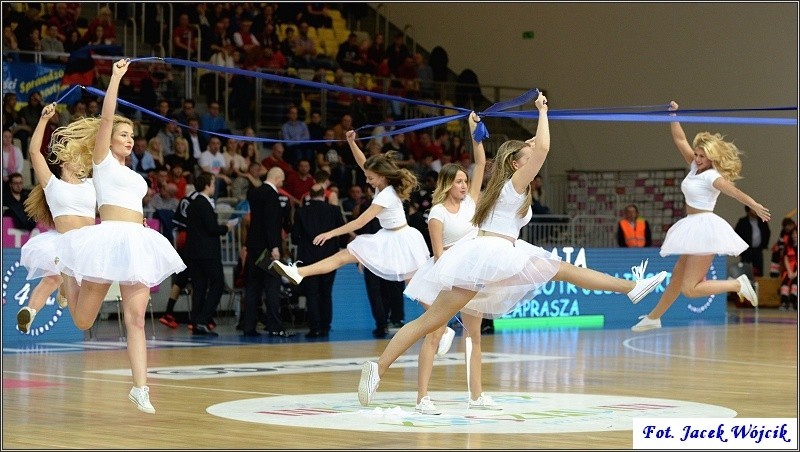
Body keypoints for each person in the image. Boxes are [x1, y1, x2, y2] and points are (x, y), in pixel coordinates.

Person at [356, 93, 669, 407]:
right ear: (517, 164)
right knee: (562, 272)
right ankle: (631, 288)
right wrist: (542, 111)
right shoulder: (516, 182)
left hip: (489, 252)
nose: (533, 154)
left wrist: (507, 135)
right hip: (493, 253)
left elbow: (531, 147)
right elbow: (543, 147)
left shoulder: (503, 184)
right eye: (527, 155)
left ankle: (378, 367)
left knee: (433, 321)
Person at [57, 59, 186, 414]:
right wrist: (116, 78)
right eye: (123, 134)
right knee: (84, 320)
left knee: (136, 319)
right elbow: (108, 112)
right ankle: (67, 273)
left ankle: (140, 388)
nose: (129, 139)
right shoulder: (102, 162)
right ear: (109, 139)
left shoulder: (135, 170)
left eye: (132, 136)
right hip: (108, 239)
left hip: (136, 240)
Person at [631, 100, 768, 332]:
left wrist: (754, 204)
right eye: (696, 154)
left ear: (711, 157)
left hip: (704, 228)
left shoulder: (712, 176)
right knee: (677, 277)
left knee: (690, 289)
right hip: (691, 226)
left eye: (701, 156)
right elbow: (680, 140)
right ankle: (654, 317)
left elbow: (733, 191)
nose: (696, 158)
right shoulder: (695, 168)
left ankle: (737, 284)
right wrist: (673, 115)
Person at [403, 112, 490, 414]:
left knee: (474, 335)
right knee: (434, 333)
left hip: (473, 273)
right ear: (447, 184)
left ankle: (476, 395)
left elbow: (481, 163)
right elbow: (440, 254)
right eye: (459, 182)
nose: (464, 185)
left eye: (466, 181)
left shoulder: (472, 202)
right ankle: (422, 397)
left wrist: (473, 130)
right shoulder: (438, 212)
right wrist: (452, 283)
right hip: (447, 275)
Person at [269, 130, 429, 292]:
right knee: (343, 257)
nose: (367, 180)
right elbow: (363, 163)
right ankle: (298, 272)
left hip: (397, 240)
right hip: (392, 236)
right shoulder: (383, 185)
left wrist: (331, 233)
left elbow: (360, 222)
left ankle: (298, 272)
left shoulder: (386, 195)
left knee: (415, 288)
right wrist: (352, 142)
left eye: (370, 178)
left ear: (382, 176)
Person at [16, 102, 95, 334]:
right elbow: (33, 152)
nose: (81, 160)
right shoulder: (52, 185)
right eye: (76, 155)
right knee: (59, 276)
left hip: (88, 245)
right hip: (65, 243)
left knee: (56, 280)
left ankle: (35, 308)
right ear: (63, 160)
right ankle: (32, 311)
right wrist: (43, 120)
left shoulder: (92, 183)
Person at [242, 167, 293, 337]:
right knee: (272, 286)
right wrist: (275, 248)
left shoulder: (254, 193)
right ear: (277, 178)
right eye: (282, 180)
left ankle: (248, 326)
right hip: (268, 249)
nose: (282, 183)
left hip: (253, 247)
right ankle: (275, 326)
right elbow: (272, 223)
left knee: (253, 288)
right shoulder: (272, 195)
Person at [184, 172, 236, 336]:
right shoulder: (204, 204)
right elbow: (212, 229)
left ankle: (196, 323)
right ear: (207, 185)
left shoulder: (193, 203)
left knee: (199, 287)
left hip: (194, 253)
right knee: (218, 284)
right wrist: (226, 228)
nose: (214, 187)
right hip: (207, 253)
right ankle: (203, 319)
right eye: (213, 183)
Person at [292, 184, 346, 338]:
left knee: (312, 294)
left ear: (309, 194)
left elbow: (295, 237)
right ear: (324, 195)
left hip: (308, 259)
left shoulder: (301, 211)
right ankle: (325, 327)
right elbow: (342, 233)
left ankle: (314, 328)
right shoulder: (334, 210)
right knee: (326, 294)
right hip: (330, 258)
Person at [734, 205, 771, 276]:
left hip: (758, 250)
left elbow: (767, 233)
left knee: (758, 270)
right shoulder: (742, 222)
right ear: (748, 210)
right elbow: (737, 234)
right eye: (753, 210)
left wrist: (764, 244)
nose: (755, 212)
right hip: (746, 250)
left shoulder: (762, 221)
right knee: (744, 270)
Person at [779, 226, 797, 311]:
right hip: (789, 269)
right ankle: (784, 302)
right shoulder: (788, 246)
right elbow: (785, 259)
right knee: (785, 282)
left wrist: (795, 273)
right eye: (793, 234)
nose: (795, 235)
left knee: (795, 283)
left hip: (797, 271)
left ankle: (792, 302)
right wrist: (789, 272)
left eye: (796, 233)